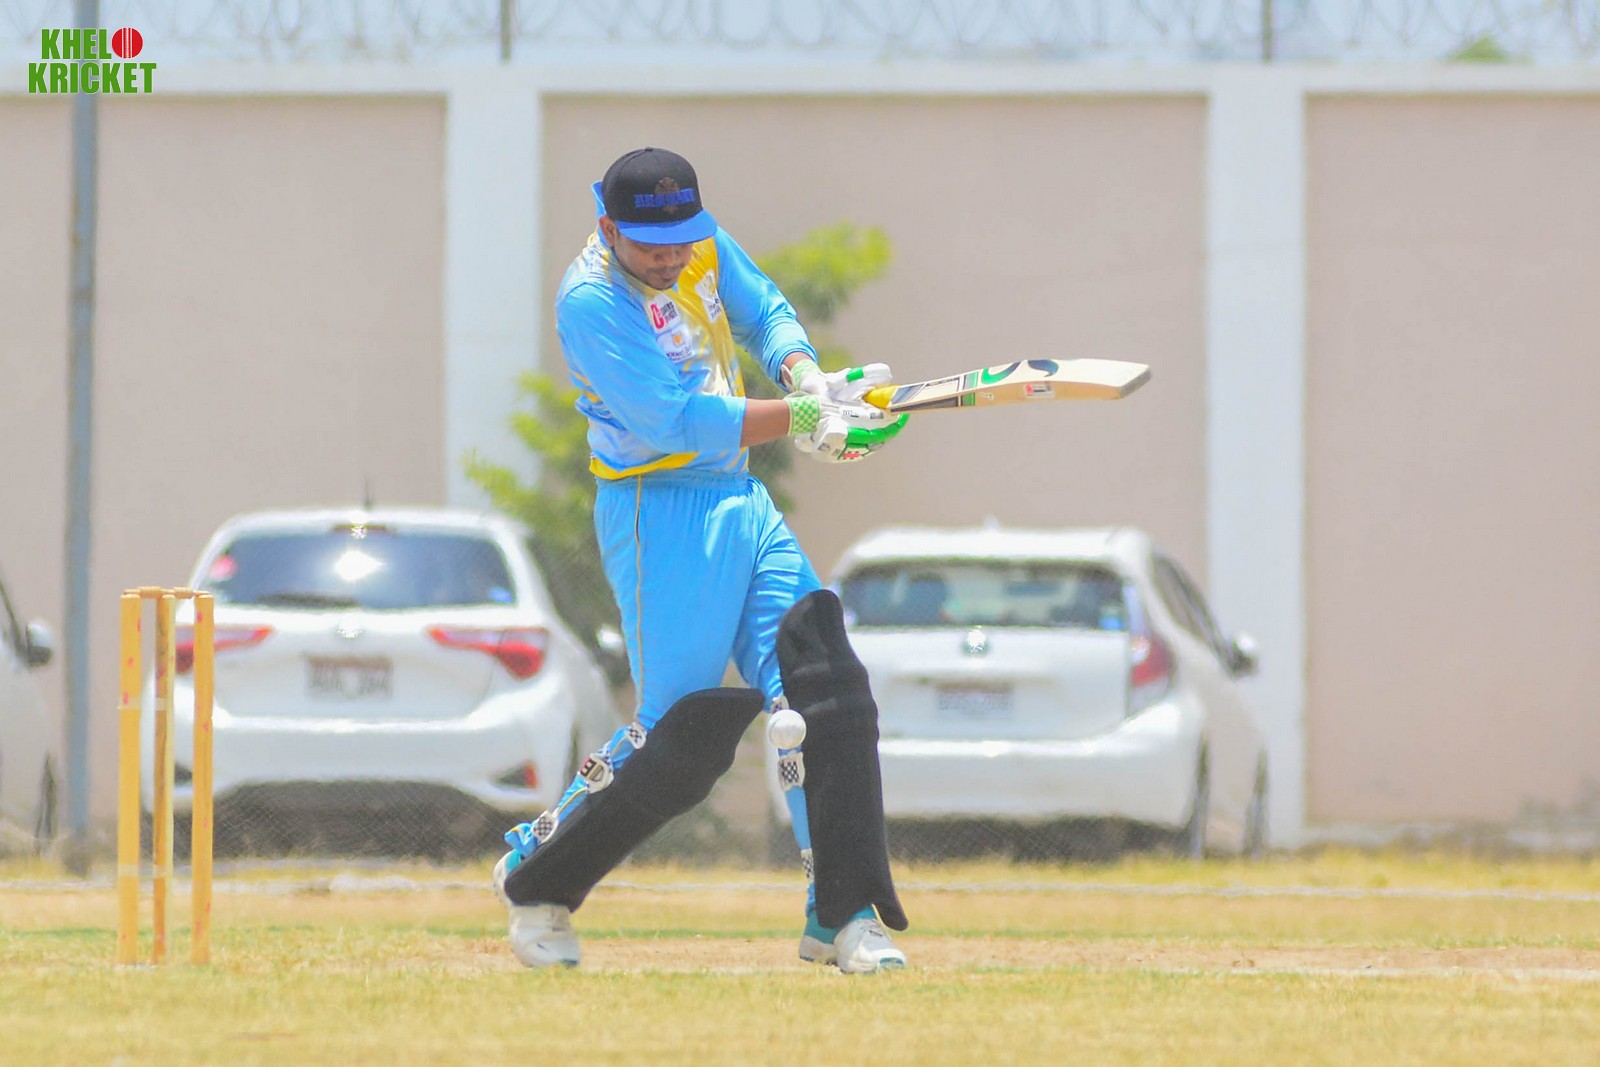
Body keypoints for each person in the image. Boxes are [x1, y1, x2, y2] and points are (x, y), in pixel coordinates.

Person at [492, 147, 911, 974]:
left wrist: (805, 375)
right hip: (659, 509)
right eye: (653, 245)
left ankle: (844, 913)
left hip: (741, 500)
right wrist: (804, 418)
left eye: (683, 237)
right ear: (609, 227)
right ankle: (535, 876)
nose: (673, 256)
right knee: (677, 736)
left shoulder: (698, 244)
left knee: (823, 685)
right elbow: (675, 421)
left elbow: (765, 312)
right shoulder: (591, 300)